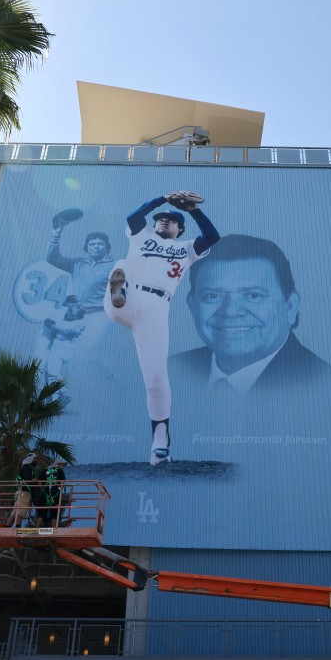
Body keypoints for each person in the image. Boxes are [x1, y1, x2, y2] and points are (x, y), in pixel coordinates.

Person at [105, 192, 220, 465]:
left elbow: (212, 237)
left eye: (171, 221)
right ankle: (118, 293)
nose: (164, 222)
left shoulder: (187, 249)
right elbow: (133, 217)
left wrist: (193, 210)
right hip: (128, 297)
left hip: (157, 307)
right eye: (161, 219)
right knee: (120, 266)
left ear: (180, 230)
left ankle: (160, 441)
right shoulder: (141, 235)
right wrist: (163, 199)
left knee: (156, 378)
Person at [171, 234, 331, 398]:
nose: (230, 312)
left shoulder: (325, 384)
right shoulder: (171, 370)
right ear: (192, 306)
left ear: (290, 307)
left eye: (253, 296)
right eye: (213, 296)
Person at [41, 220, 115, 377]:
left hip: (99, 315)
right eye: (92, 244)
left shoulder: (115, 266)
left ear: (107, 248)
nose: (95, 246)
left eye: (100, 244)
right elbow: (51, 258)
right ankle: (118, 384)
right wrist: (56, 234)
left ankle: (115, 388)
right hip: (77, 313)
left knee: (83, 353)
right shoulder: (77, 263)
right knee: (86, 355)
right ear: (87, 248)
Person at [13, 453, 41, 527]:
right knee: (21, 511)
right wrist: (34, 480)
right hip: (24, 492)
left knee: (16, 511)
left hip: (20, 492)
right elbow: (27, 479)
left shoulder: (26, 467)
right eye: (35, 459)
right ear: (31, 459)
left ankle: (8, 526)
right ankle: (17, 527)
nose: (36, 460)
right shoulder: (26, 467)